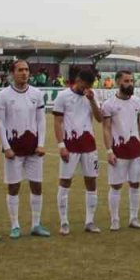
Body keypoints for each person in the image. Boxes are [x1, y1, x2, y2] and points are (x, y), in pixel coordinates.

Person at [0, 59, 50, 239]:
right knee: (13, 187)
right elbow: (0, 123)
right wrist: (6, 147)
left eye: (26, 70)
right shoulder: (3, 95)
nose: (24, 73)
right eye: (20, 70)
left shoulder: (36, 93)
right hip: (14, 149)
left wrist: (41, 143)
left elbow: (41, 120)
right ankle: (15, 225)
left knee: (37, 185)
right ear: (12, 73)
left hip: (34, 149)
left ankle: (36, 224)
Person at [53, 66, 103, 234]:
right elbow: (57, 122)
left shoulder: (92, 96)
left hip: (89, 145)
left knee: (91, 182)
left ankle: (89, 221)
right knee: (65, 182)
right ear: (78, 80)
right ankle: (64, 222)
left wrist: (92, 101)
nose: (87, 87)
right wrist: (61, 146)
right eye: (85, 84)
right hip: (70, 145)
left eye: (91, 85)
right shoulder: (63, 96)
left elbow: (100, 118)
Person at [101, 70, 140, 230]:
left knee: (135, 184)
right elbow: (106, 129)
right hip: (118, 150)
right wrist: (109, 151)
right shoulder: (109, 104)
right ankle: (115, 220)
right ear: (118, 82)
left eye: (132, 81)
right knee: (116, 186)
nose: (130, 84)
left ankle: (134, 218)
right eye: (127, 81)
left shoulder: (138, 102)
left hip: (136, 150)